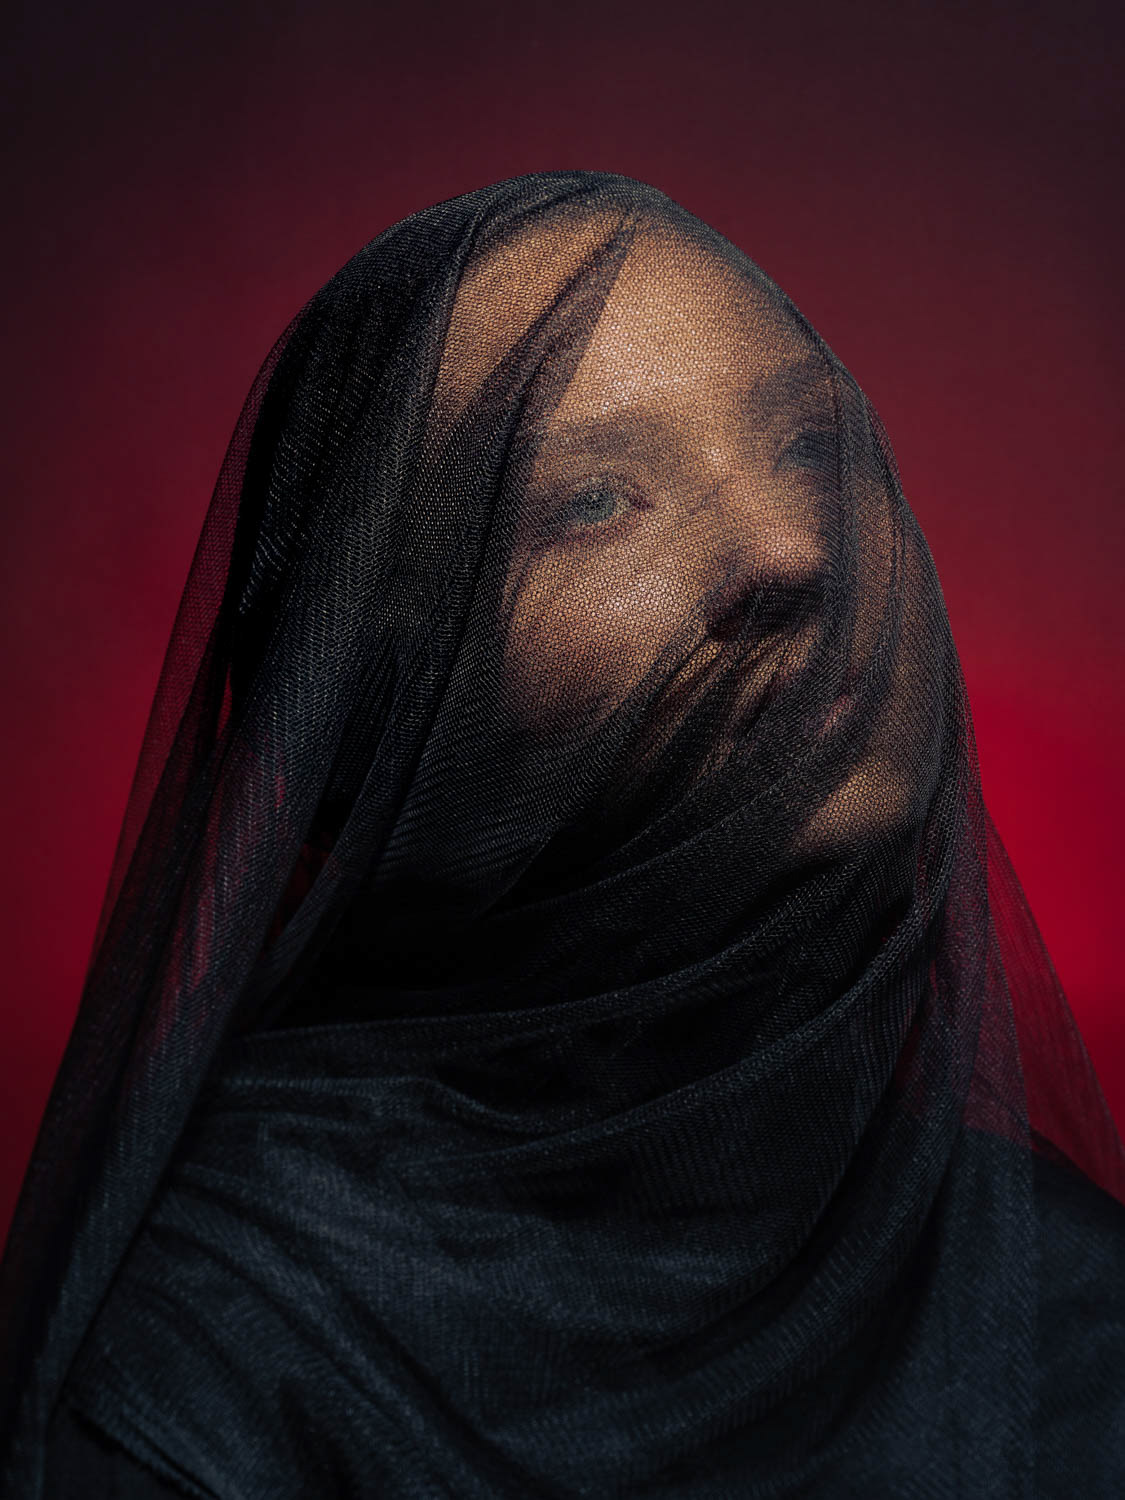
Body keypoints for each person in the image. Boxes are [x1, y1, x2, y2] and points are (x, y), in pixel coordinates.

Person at [3, 170, 1123, 1499]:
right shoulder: (216, 1361)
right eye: (593, 501)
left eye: (811, 449)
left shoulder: (1064, 1298)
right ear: (398, 699)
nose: (790, 550)